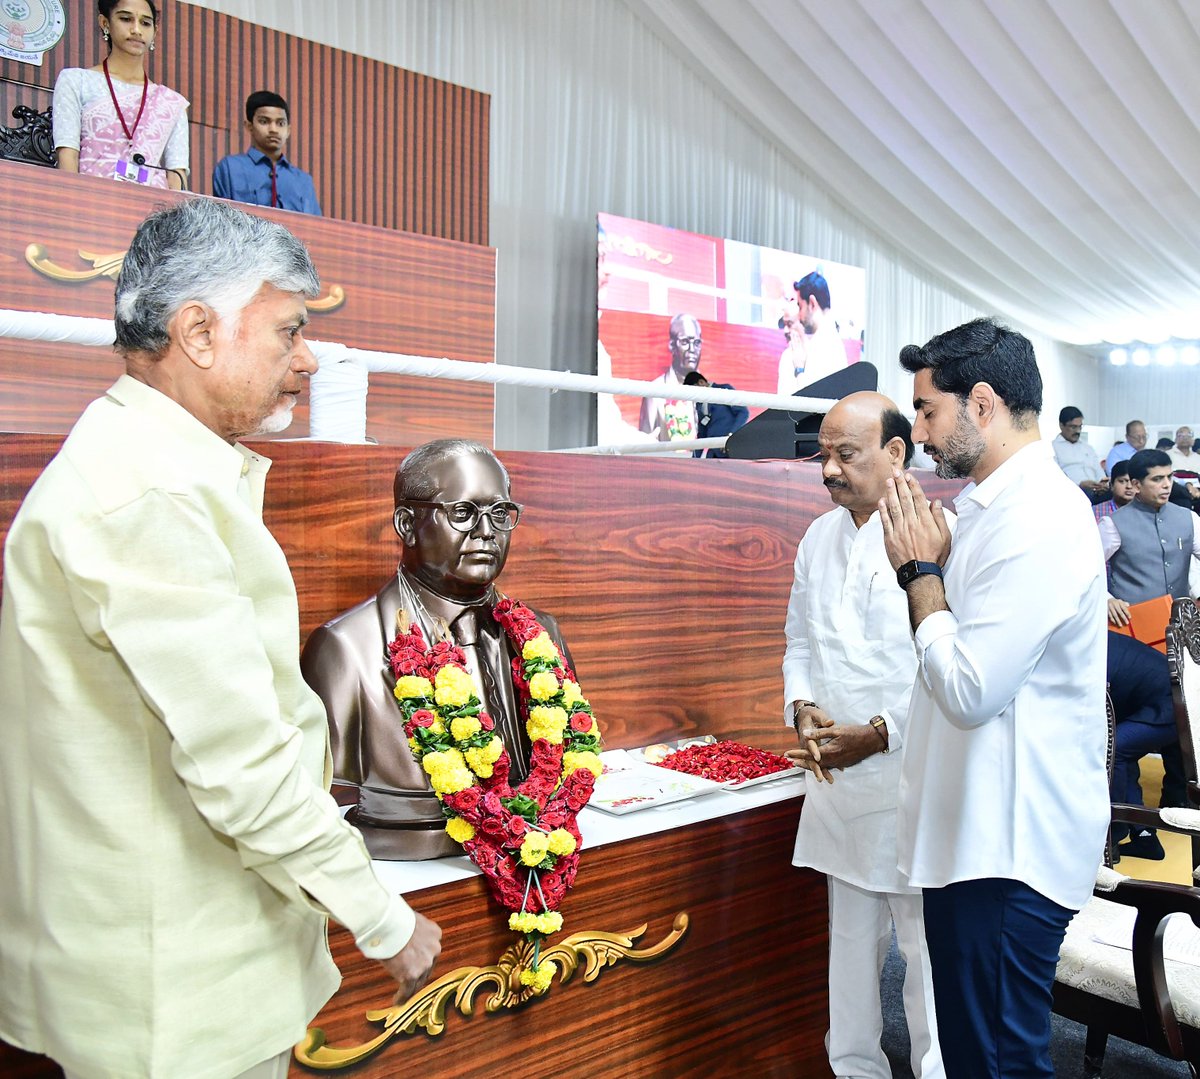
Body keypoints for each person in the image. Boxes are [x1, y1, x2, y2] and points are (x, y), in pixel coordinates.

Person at [0, 198, 440, 1079]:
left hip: (171, 961)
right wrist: (383, 916)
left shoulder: (147, 463)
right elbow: (242, 763)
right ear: (198, 331)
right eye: (289, 331)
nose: (308, 359)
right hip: (173, 988)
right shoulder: (148, 494)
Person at [879, 317, 1109, 1077]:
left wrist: (921, 577)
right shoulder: (990, 506)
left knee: (1000, 1064)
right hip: (976, 838)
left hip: (1010, 850)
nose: (917, 431)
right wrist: (930, 575)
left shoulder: (1039, 513)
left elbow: (972, 688)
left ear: (982, 404)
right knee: (979, 1057)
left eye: (927, 410)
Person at [300, 439, 575, 860]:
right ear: (407, 524)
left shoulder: (543, 634)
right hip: (407, 850)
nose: (487, 532)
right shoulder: (344, 648)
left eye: (500, 514)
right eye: (463, 513)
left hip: (536, 848)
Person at [784, 392, 945, 1079]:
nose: (828, 470)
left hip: (914, 782)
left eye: (845, 453)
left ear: (896, 453)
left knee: (928, 959)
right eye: (823, 454)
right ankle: (854, 1070)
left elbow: (947, 664)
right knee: (848, 951)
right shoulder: (818, 537)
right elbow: (799, 638)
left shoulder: (939, 533)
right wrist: (802, 707)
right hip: (837, 785)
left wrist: (878, 734)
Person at [52, 0, 189, 190]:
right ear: (105, 23)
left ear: (155, 31)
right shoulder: (76, 81)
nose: (136, 29)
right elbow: (67, 158)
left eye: (145, 23)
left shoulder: (171, 102)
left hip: (154, 210)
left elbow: (177, 179)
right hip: (91, 200)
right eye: (126, 19)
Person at [1101, 448, 1200, 627]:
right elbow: (1085, 571)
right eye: (1157, 479)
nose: (1167, 484)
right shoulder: (1112, 524)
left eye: (1169, 477)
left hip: (1181, 623)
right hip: (1134, 623)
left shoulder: (1188, 518)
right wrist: (1106, 599)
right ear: (1136, 485)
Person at [1106, 633, 1176, 863]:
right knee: (1123, 752)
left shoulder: (1084, 650)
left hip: (1169, 707)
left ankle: (1111, 836)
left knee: (1112, 749)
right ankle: (1144, 837)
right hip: (1163, 700)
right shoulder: (1095, 635)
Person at [213, 90, 322, 215]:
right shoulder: (229, 168)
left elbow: (315, 228)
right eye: (264, 121)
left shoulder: (304, 181)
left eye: (280, 123)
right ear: (249, 126)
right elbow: (221, 223)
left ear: (288, 130)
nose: (273, 130)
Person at [776, 271, 848, 395]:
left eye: (800, 306)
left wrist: (799, 369)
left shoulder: (827, 346)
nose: (799, 315)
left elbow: (812, 404)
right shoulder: (829, 342)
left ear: (812, 304)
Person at [640, 313, 701, 441]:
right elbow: (644, 447)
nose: (692, 349)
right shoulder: (655, 392)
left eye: (696, 343)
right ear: (672, 346)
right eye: (685, 342)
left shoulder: (710, 392)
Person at [683, 369, 748, 458]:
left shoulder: (724, 389)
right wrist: (694, 459)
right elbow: (702, 433)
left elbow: (743, 413)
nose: (694, 397)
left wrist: (730, 437)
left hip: (731, 448)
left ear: (701, 382)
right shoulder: (699, 404)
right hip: (713, 451)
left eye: (693, 392)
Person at [1051, 405, 1108, 500]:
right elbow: (1055, 478)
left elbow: (1099, 471)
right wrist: (1079, 484)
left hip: (1097, 490)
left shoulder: (1088, 448)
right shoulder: (1052, 448)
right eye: (1073, 427)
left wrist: (1103, 483)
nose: (1078, 431)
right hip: (1072, 494)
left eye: (1080, 427)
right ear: (1061, 425)